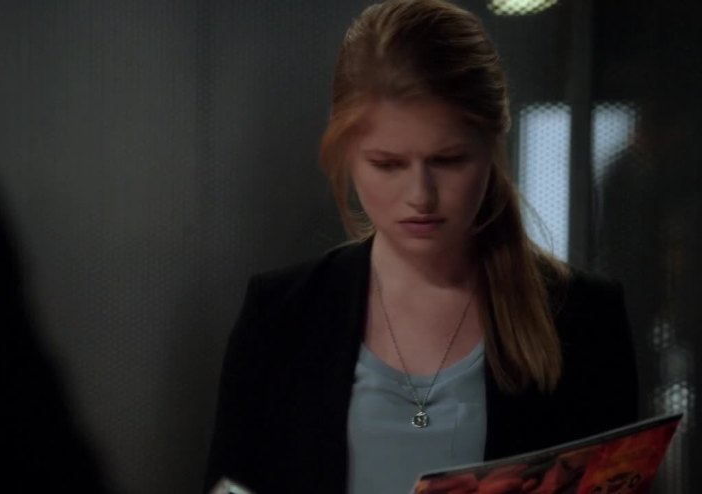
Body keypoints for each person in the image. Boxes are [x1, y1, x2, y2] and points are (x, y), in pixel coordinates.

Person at [204, 1, 638, 493]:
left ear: (492, 147)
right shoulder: (282, 315)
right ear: (347, 154)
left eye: (449, 160)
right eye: (388, 164)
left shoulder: (582, 318)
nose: (421, 197)